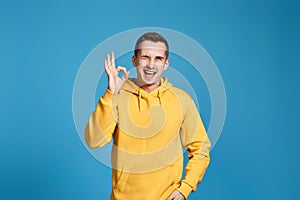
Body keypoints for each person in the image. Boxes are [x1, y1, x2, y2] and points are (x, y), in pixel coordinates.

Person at [85, 32, 211, 200]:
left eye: (158, 58)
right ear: (135, 61)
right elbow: (94, 140)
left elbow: (200, 148)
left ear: (166, 64)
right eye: (145, 57)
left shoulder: (182, 100)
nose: (151, 65)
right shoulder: (118, 96)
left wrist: (185, 188)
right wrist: (110, 94)